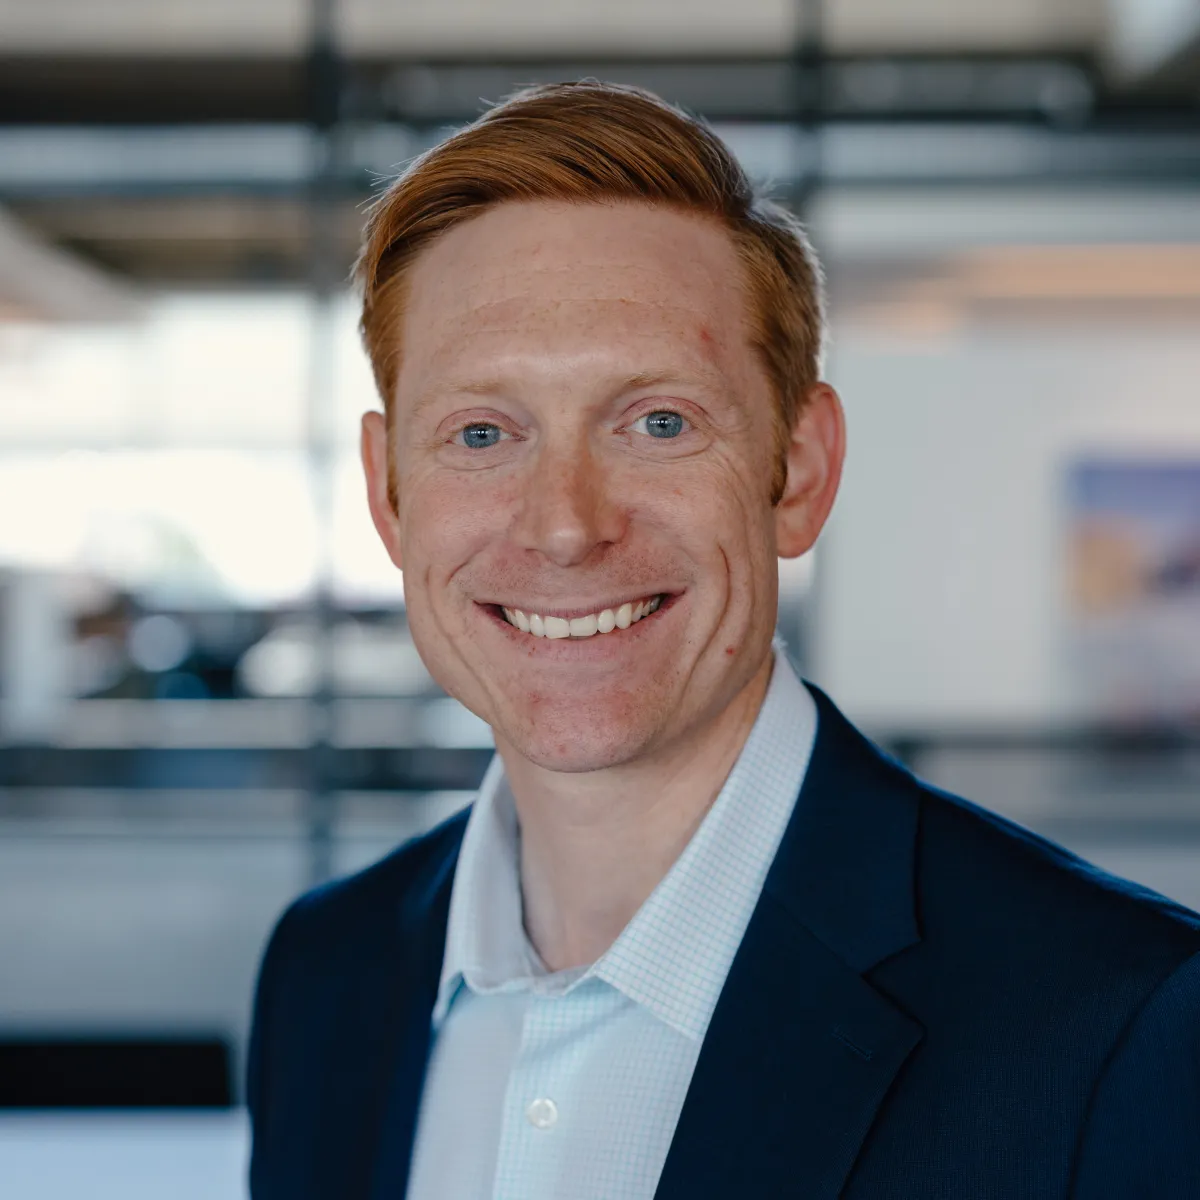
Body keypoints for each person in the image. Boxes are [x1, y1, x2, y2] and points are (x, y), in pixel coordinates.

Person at [246, 82, 1200, 1199]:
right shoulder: (327, 973)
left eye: (659, 422)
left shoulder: (1124, 1026)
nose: (565, 524)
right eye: (482, 431)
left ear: (799, 471)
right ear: (389, 493)